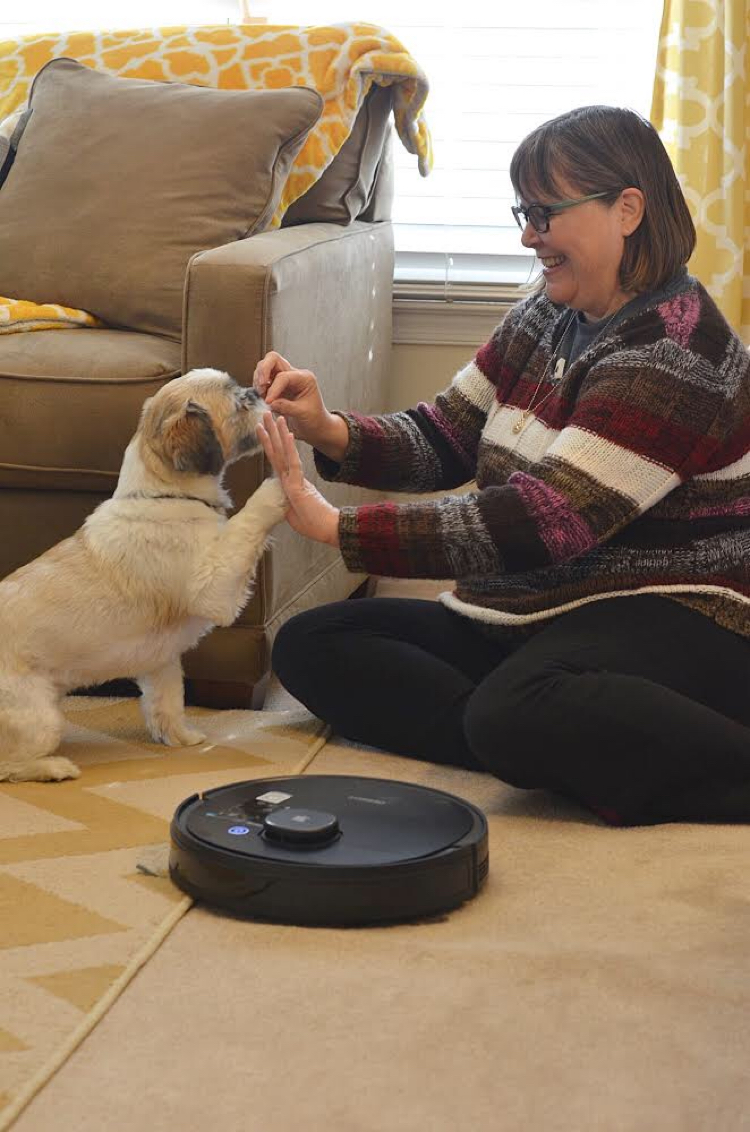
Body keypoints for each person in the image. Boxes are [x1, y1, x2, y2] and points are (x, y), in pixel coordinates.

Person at [254, 104, 750, 828]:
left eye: (546, 213)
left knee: (513, 709)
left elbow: (546, 520)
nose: (528, 235)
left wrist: (342, 530)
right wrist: (328, 429)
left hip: (673, 613)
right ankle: (568, 749)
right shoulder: (546, 316)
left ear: (627, 209)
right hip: (539, 610)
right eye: (525, 211)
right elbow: (444, 435)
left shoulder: (675, 349)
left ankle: (644, 750)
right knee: (312, 645)